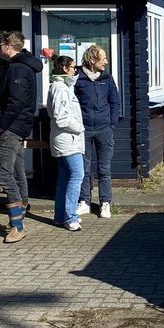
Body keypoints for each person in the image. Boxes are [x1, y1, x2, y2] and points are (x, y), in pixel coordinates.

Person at [0, 31, 43, 244]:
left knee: (5, 175)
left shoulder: (18, 68)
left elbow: (16, 101)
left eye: (0, 44)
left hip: (11, 127)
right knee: (18, 170)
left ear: (8, 46)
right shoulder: (20, 66)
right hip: (17, 126)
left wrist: (2, 125)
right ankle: (20, 216)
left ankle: (17, 225)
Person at [74, 44, 120, 219]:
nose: (106, 62)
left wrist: (112, 125)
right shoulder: (78, 78)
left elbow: (115, 102)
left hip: (104, 129)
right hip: (83, 130)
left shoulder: (107, 78)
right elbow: (73, 103)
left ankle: (105, 203)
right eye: (103, 58)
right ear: (92, 60)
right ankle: (84, 201)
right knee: (84, 168)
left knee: (104, 169)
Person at [47, 55, 85, 231]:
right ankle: (70, 217)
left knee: (64, 178)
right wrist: (79, 127)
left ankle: (60, 216)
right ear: (65, 69)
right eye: (73, 67)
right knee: (77, 175)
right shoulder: (60, 89)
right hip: (68, 140)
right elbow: (61, 118)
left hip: (65, 139)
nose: (75, 70)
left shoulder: (62, 86)